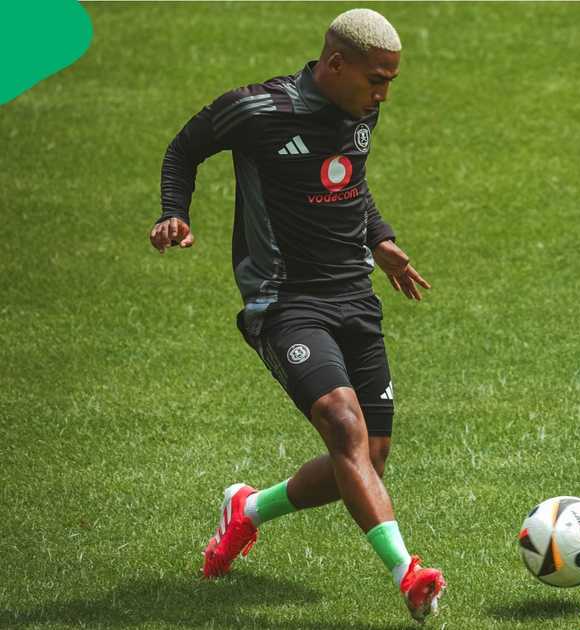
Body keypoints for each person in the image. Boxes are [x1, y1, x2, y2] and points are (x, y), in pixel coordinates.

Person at [149, 8, 444, 623]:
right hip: (285, 301)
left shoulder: (361, 109)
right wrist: (173, 211)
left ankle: (248, 511)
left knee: (369, 457)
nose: (384, 94)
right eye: (377, 80)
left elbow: (350, 184)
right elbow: (184, 148)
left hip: (354, 297)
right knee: (343, 427)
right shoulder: (257, 110)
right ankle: (408, 574)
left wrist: (380, 239)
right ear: (336, 64)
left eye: (390, 81)